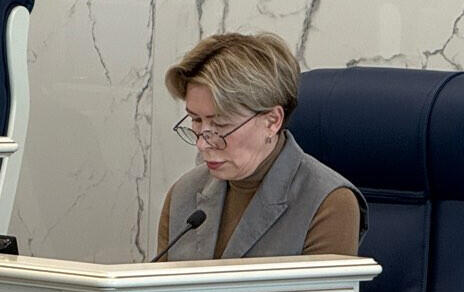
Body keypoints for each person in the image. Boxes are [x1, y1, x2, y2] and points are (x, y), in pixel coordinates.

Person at [157, 32, 367, 260]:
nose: (202, 143)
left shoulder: (330, 203)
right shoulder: (183, 194)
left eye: (220, 124)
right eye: (196, 120)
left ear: (272, 121)